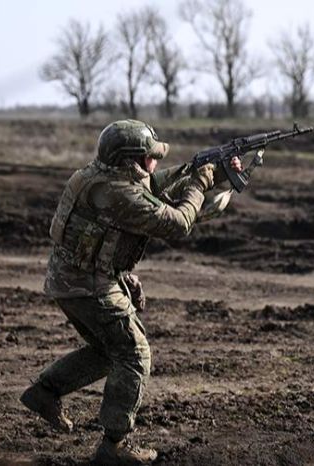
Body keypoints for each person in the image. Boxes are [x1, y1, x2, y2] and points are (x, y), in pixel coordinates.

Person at [19, 119, 241, 464]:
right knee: (135, 354)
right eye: (149, 156)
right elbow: (177, 223)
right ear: (130, 160)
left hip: (69, 281)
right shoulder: (117, 193)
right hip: (89, 286)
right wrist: (200, 182)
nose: (154, 161)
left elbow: (154, 184)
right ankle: (114, 446)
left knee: (109, 351)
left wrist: (213, 172)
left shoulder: (97, 176)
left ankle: (45, 393)